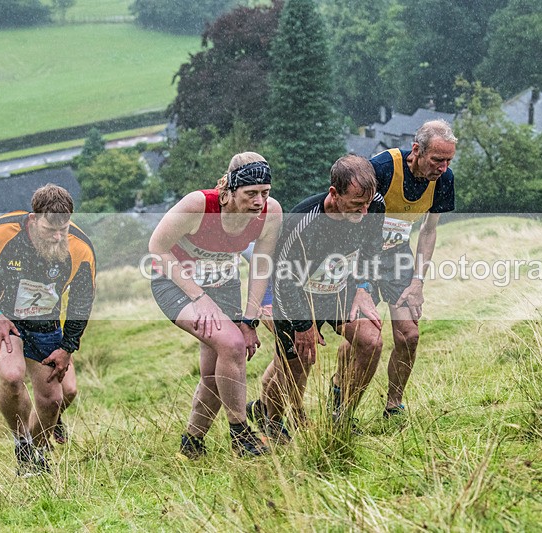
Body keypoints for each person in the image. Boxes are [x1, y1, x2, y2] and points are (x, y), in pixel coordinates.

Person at [148, 152, 282, 459]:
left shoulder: (271, 212)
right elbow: (157, 247)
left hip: (224, 285)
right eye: (251, 193)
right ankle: (241, 435)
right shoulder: (199, 205)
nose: (259, 201)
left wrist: (250, 320)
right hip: (176, 284)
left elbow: (261, 265)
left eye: (265, 192)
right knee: (232, 345)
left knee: (214, 372)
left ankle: (191, 444)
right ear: (230, 190)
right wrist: (199, 297)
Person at [247, 154, 385, 440]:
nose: (364, 212)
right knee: (297, 365)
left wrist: (364, 287)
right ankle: (273, 423)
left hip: (339, 289)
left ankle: (342, 416)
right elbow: (284, 281)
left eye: (367, 204)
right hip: (297, 296)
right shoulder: (303, 221)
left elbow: (372, 247)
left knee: (372, 342)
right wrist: (303, 326)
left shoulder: (374, 205)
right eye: (356, 205)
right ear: (334, 193)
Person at [334, 119, 456, 419]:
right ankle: (340, 393)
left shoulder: (444, 180)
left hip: (397, 258)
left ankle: (393, 405)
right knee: (363, 337)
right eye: (437, 160)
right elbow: (348, 210)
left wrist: (418, 282)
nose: (442, 167)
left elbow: (428, 230)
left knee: (409, 335)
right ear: (416, 150)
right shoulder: (382, 168)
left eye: (448, 161)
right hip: (360, 258)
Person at [0, 184, 96, 476]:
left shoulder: (80, 247)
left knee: (58, 397)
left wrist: (67, 348)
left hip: (44, 321)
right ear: (32, 219)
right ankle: (23, 447)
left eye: (63, 229)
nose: (57, 236)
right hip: (0, 317)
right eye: (50, 230)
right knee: (12, 376)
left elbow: (81, 302)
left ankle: (38, 448)